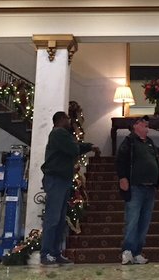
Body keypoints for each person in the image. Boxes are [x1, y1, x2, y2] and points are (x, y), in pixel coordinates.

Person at [40, 111, 100, 266]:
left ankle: (55, 252)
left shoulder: (62, 135)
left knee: (60, 220)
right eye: (67, 118)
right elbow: (73, 149)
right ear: (60, 120)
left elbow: (73, 147)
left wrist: (88, 146)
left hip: (62, 179)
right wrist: (88, 147)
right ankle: (46, 253)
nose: (69, 120)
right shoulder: (59, 133)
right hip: (56, 179)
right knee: (53, 219)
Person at [116, 115, 159, 265]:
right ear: (135, 126)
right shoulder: (129, 142)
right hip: (135, 186)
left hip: (150, 187)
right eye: (143, 125)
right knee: (133, 219)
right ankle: (127, 250)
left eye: (147, 126)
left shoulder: (149, 142)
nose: (146, 128)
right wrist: (123, 178)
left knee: (144, 221)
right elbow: (121, 160)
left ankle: (137, 251)